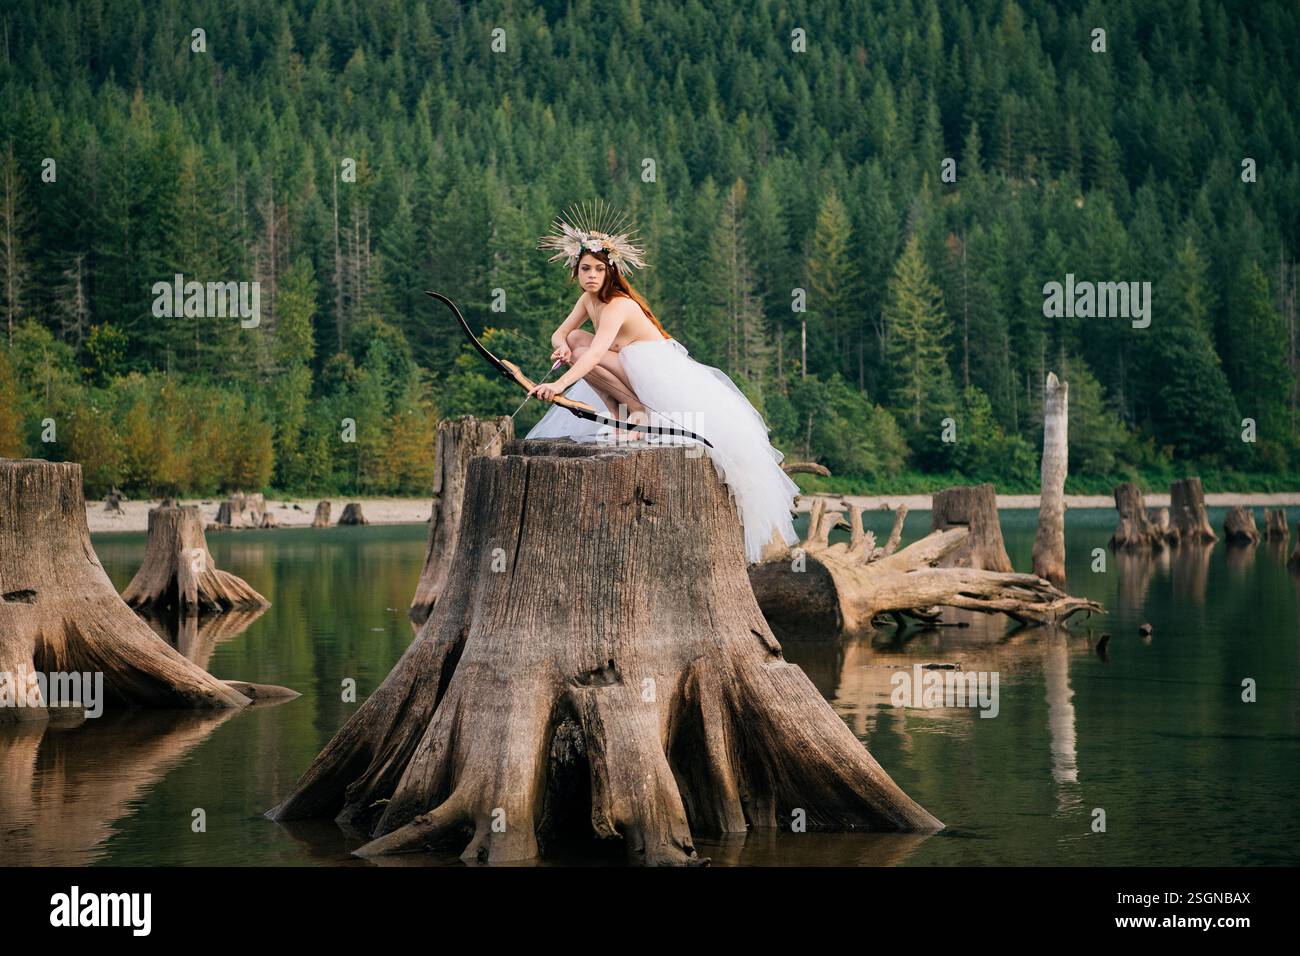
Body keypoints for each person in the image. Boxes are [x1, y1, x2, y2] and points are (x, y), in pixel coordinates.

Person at [526, 202, 799, 563]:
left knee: (582, 349)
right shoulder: (587, 299)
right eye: (585, 269)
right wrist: (560, 348)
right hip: (626, 369)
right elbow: (561, 335)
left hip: (652, 375)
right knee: (575, 341)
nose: (591, 275)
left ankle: (636, 413)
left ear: (611, 273)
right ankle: (619, 413)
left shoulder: (618, 304)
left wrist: (560, 386)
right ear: (576, 272)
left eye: (599, 269)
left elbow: (594, 356)